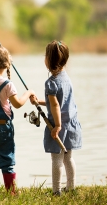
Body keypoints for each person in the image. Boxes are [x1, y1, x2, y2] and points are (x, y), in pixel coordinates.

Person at [0, 44, 34, 194]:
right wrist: (28, 93)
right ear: (6, 64)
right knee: (7, 160)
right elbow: (17, 104)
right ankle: (11, 191)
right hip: (2, 129)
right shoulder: (7, 85)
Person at [30, 40, 82, 196]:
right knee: (68, 158)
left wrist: (57, 126)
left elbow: (55, 107)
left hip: (59, 127)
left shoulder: (51, 83)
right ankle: (71, 187)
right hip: (71, 124)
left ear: (49, 60)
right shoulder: (66, 78)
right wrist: (38, 101)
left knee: (56, 160)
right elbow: (56, 103)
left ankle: (56, 191)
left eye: (45, 55)